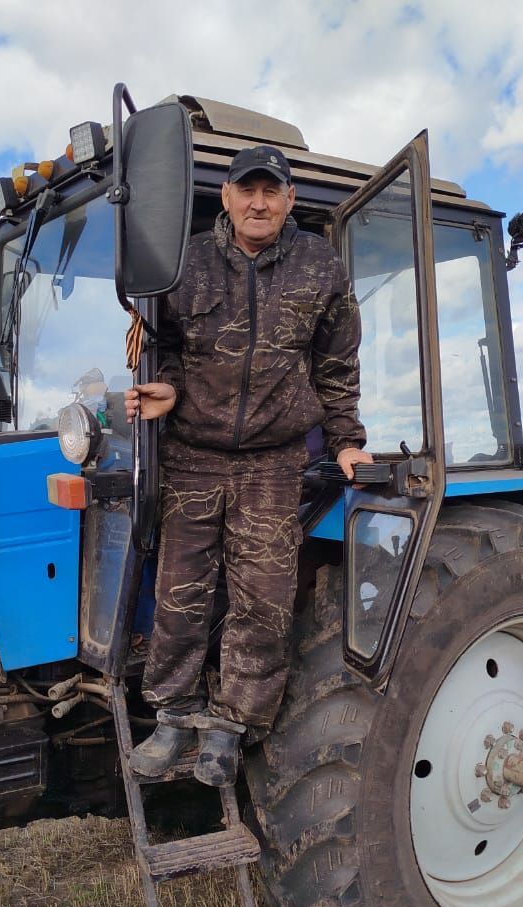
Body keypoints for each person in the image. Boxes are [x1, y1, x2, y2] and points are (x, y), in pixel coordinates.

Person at [124, 144, 371, 786]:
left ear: (289, 200)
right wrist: (167, 391)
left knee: (263, 600)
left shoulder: (321, 267)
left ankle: (232, 727)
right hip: (192, 456)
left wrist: (346, 439)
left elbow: (337, 365)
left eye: (271, 191)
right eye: (246, 190)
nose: (258, 202)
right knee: (179, 594)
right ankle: (174, 716)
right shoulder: (189, 265)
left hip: (273, 460)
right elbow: (167, 351)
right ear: (228, 198)